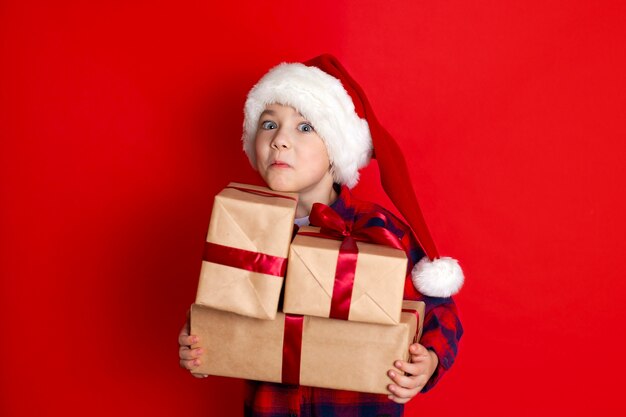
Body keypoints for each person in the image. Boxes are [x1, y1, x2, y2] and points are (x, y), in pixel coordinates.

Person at [178, 54, 464, 417]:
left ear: (336, 151)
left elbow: (442, 312)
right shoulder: (240, 224)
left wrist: (429, 361)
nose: (280, 140)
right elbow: (222, 309)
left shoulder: (377, 232)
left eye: (305, 127)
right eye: (268, 125)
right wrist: (198, 340)